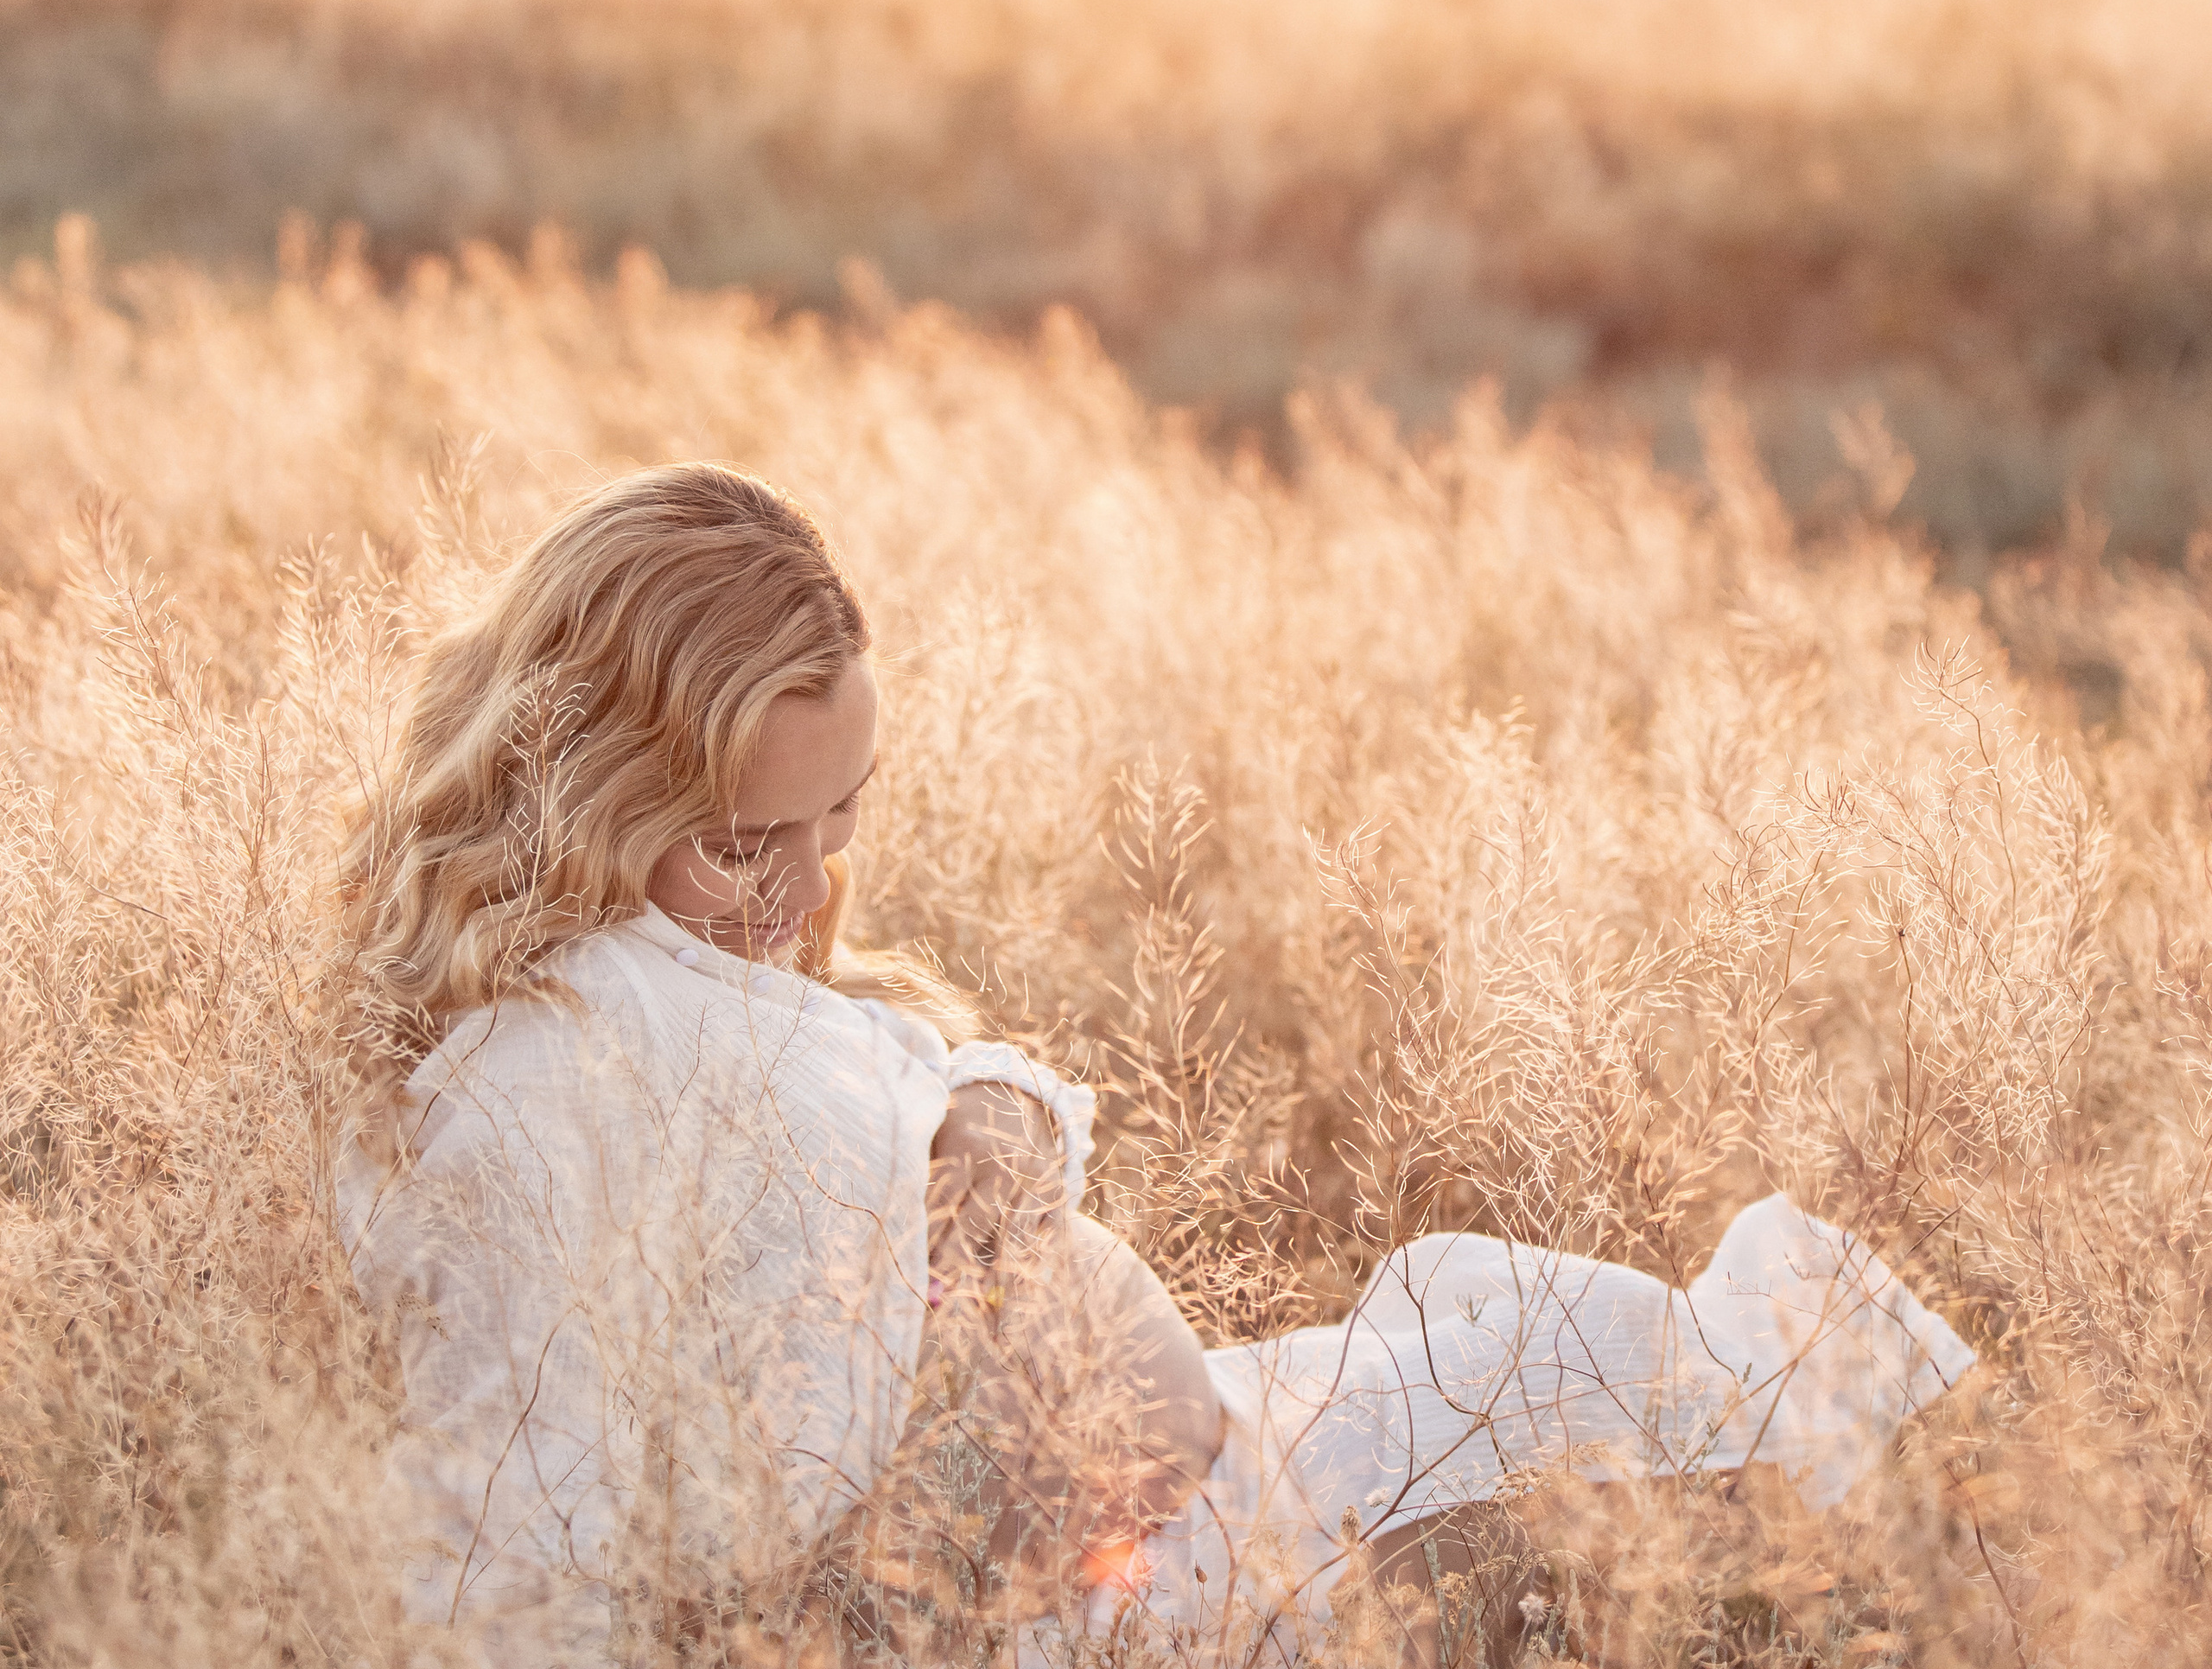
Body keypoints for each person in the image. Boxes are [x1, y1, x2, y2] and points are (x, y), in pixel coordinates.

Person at [334, 464, 1975, 1669]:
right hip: (1136, 1593)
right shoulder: (531, 1092)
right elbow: (515, 1550)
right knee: (1655, 1447)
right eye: (748, 839)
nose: (812, 886)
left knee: (1561, 1354)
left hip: (1203, 1496)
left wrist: (980, 1126)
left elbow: (929, 1098)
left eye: (847, 812)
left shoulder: (676, 962)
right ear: (593, 780)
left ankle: (1935, 1482)